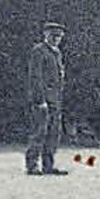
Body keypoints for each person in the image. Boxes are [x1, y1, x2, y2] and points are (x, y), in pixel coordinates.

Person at [25, 21, 68, 176]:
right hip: (43, 100)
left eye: (59, 36)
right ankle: (32, 165)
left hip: (55, 99)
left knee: (53, 133)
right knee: (39, 132)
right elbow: (35, 77)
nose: (56, 39)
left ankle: (48, 165)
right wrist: (39, 100)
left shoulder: (56, 53)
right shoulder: (39, 51)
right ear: (45, 35)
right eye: (53, 35)